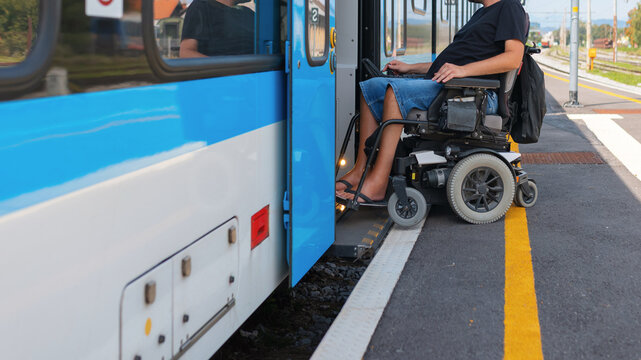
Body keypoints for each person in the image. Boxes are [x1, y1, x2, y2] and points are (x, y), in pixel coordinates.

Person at [336, 0, 528, 204]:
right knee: (372, 87)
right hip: (453, 85)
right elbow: (446, 65)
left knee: (396, 92)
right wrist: (410, 67)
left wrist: (463, 71)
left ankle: (378, 183)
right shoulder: (481, 13)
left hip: (475, 94)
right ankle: (360, 170)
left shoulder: (510, 7)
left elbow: (513, 58)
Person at [180, 0, 254, 58]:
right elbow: (186, 53)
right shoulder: (201, 6)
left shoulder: (249, 14)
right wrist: (227, 70)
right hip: (226, 75)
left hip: (258, 74)